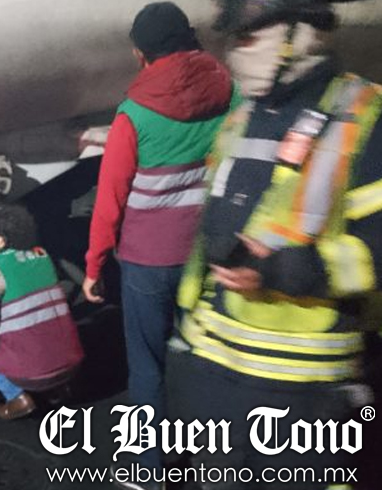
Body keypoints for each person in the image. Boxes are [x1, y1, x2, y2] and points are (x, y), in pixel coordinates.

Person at [174, 0, 382, 488]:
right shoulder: (243, 117)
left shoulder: (365, 115)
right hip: (212, 372)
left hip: (302, 393)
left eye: (247, 39)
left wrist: (285, 269)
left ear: (301, 34)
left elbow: (375, 251)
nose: (234, 54)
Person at [80, 2, 236, 485]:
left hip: (148, 262)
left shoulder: (134, 114)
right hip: (207, 254)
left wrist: (93, 266)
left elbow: (110, 201)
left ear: (141, 54)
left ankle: (151, 472)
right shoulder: (229, 92)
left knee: (148, 367)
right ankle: (209, 463)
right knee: (201, 358)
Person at [0, 205, 85, 420]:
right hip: (71, 365)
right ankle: (57, 390)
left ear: (3, 239)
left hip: (30, 375)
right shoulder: (42, 255)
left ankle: (16, 397)